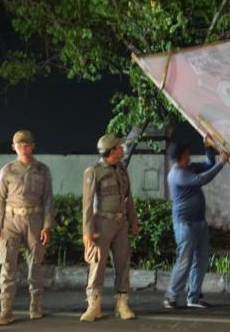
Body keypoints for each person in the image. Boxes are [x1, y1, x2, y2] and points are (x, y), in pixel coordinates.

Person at [0, 130, 54, 326]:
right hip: (11, 220)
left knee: (35, 264)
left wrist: (47, 226)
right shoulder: (7, 170)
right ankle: (6, 311)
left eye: (26, 145)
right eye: (19, 145)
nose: (23, 148)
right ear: (13, 147)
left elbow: (48, 200)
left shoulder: (42, 170)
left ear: (33, 146)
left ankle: (35, 307)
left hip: (34, 219)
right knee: (8, 266)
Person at [163, 135, 229, 309]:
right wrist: (222, 163)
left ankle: (194, 297)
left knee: (200, 260)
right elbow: (204, 179)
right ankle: (171, 296)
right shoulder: (177, 174)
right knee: (184, 261)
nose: (190, 156)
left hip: (199, 223)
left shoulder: (189, 167)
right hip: (185, 225)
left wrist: (208, 148)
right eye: (187, 154)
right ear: (179, 157)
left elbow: (208, 165)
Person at [80, 134, 139, 322]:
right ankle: (93, 305)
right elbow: (87, 205)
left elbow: (128, 198)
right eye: (119, 147)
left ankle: (122, 304)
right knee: (97, 264)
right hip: (101, 224)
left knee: (123, 262)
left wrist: (133, 220)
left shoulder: (122, 169)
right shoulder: (94, 171)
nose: (122, 149)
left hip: (120, 223)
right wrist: (87, 231)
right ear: (111, 151)